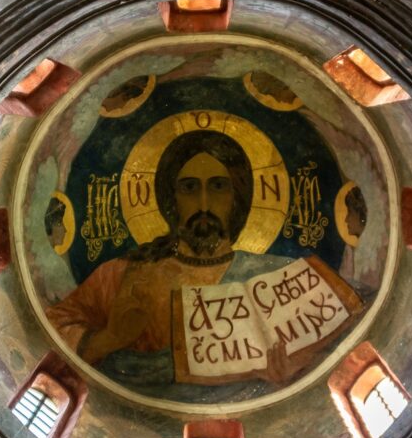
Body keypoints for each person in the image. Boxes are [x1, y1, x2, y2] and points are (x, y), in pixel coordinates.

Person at [46, 131, 306, 396]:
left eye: (218, 186)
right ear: (171, 199)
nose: (204, 205)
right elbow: (52, 330)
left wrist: (287, 375)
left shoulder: (277, 276)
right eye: (189, 188)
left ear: (238, 197)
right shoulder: (125, 274)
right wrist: (109, 339)